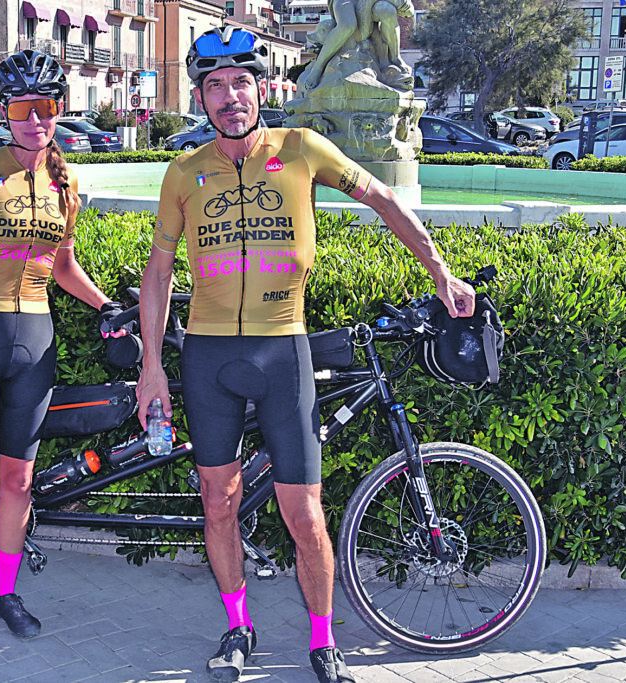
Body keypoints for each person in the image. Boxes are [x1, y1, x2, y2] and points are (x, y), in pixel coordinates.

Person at [134, 26, 475, 683]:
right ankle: (238, 627)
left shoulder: (301, 149)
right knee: (218, 502)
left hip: (281, 351)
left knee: (304, 512)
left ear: (260, 87)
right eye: (215, 86)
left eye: (241, 82)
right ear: (200, 97)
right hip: (208, 356)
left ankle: (323, 642)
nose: (230, 96)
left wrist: (440, 272)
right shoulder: (184, 171)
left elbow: (383, 198)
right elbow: (158, 272)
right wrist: (153, 364)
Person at [0, 49, 124, 650]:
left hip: (35, 343)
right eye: (21, 109)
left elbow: (62, 267)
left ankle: (5, 592)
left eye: (45, 106)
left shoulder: (66, 184)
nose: (35, 120)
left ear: (60, 108)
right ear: (4, 112)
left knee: (18, 483)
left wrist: (105, 306)